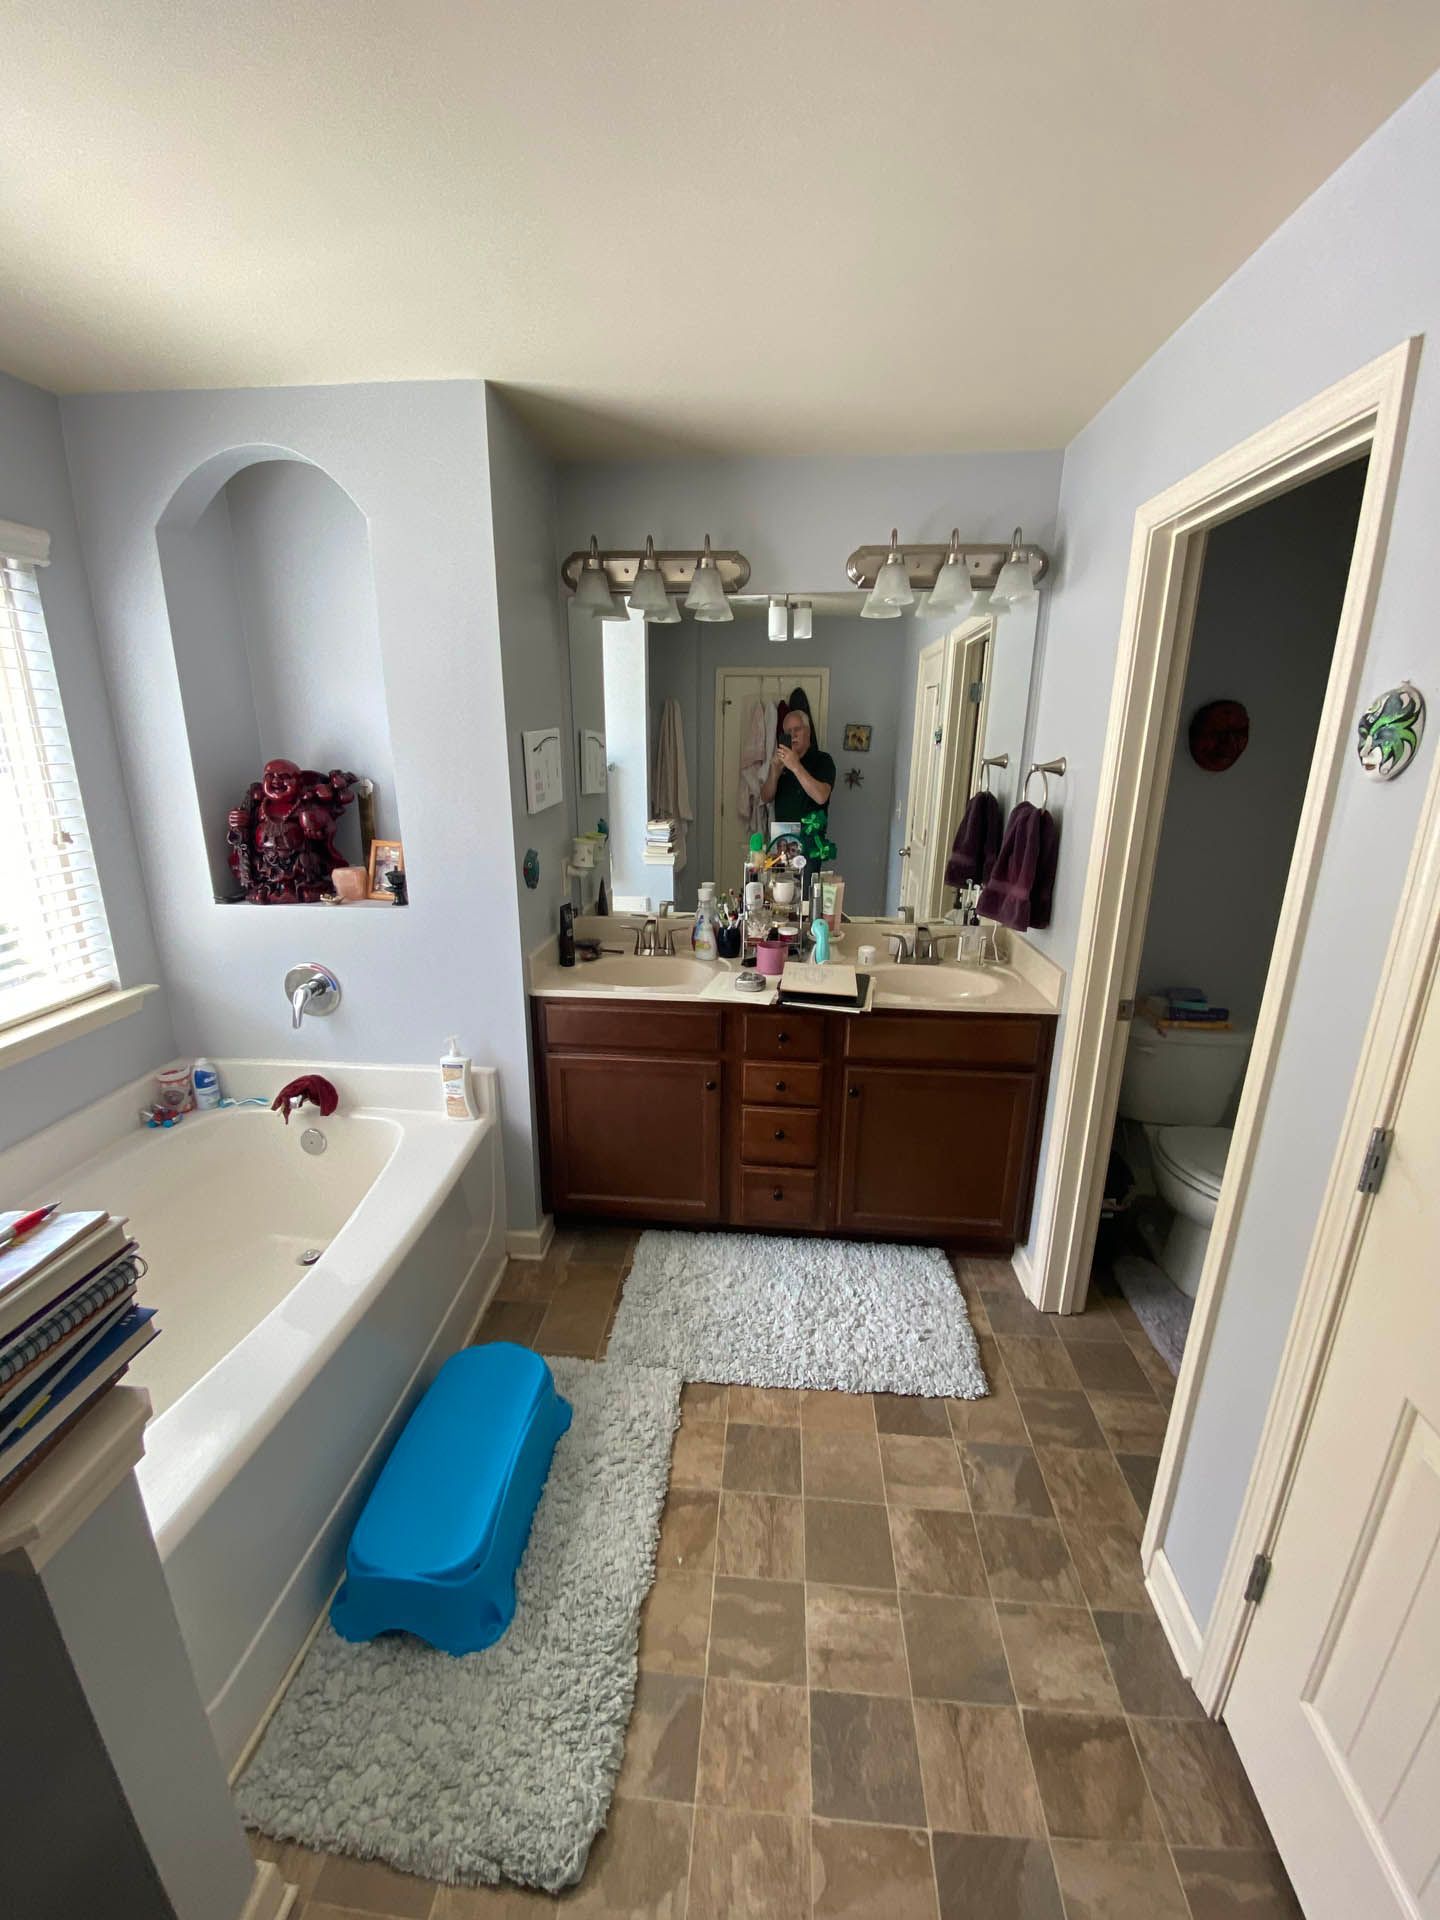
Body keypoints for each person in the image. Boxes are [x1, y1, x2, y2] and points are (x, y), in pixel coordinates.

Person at [761, 704, 835, 828]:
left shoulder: (823, 760)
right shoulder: (780, 762)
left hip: (812, 840)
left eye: (797, 729)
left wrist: (795, 766)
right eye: (788, 731)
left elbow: (821, 797)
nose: (793, 735)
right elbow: (765, 798)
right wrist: (774, 773)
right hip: (783, 840)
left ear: (808, 732)